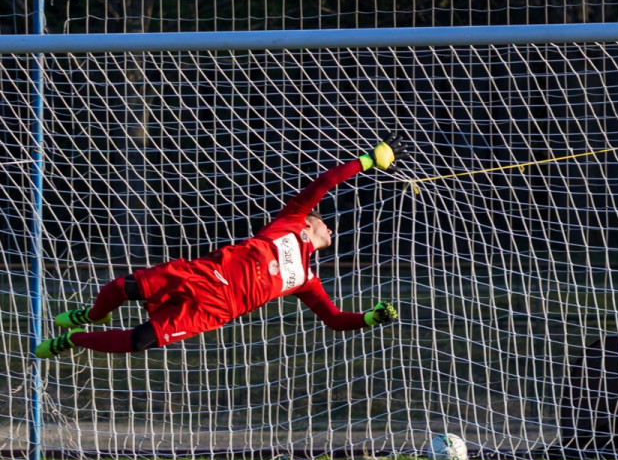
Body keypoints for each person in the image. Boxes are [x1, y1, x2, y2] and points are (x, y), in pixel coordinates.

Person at [36, 133, 409, 358]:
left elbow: (334, 320)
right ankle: (94, 315)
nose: (331, 228)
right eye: (325, 222)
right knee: (121, 287)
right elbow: (323, 184)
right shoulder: (291, 221)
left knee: (139, 341)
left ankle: (74, 338)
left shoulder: (307, 280)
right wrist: (367, 161)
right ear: (310, 223)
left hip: (215, 310)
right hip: (204, 275)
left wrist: (369, 318)